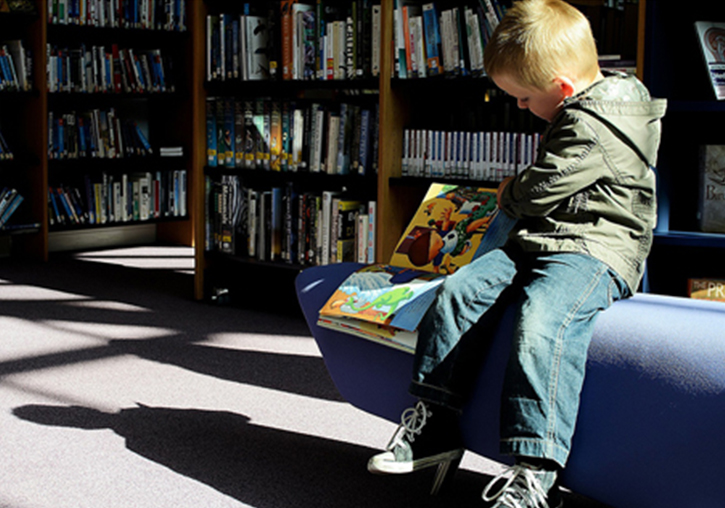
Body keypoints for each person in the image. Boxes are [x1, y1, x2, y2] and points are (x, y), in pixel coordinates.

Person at [367, 0, 667, 507]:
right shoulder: (580, 105)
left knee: (543, 319)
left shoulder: (599, 123)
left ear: (564, 89)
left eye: (525, 99)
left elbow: (540, 188)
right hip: (541, 239)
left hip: (596, 248)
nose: (522, 108)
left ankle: (536, 469)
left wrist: (508, 190)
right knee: (460, 292)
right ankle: (436, 425)